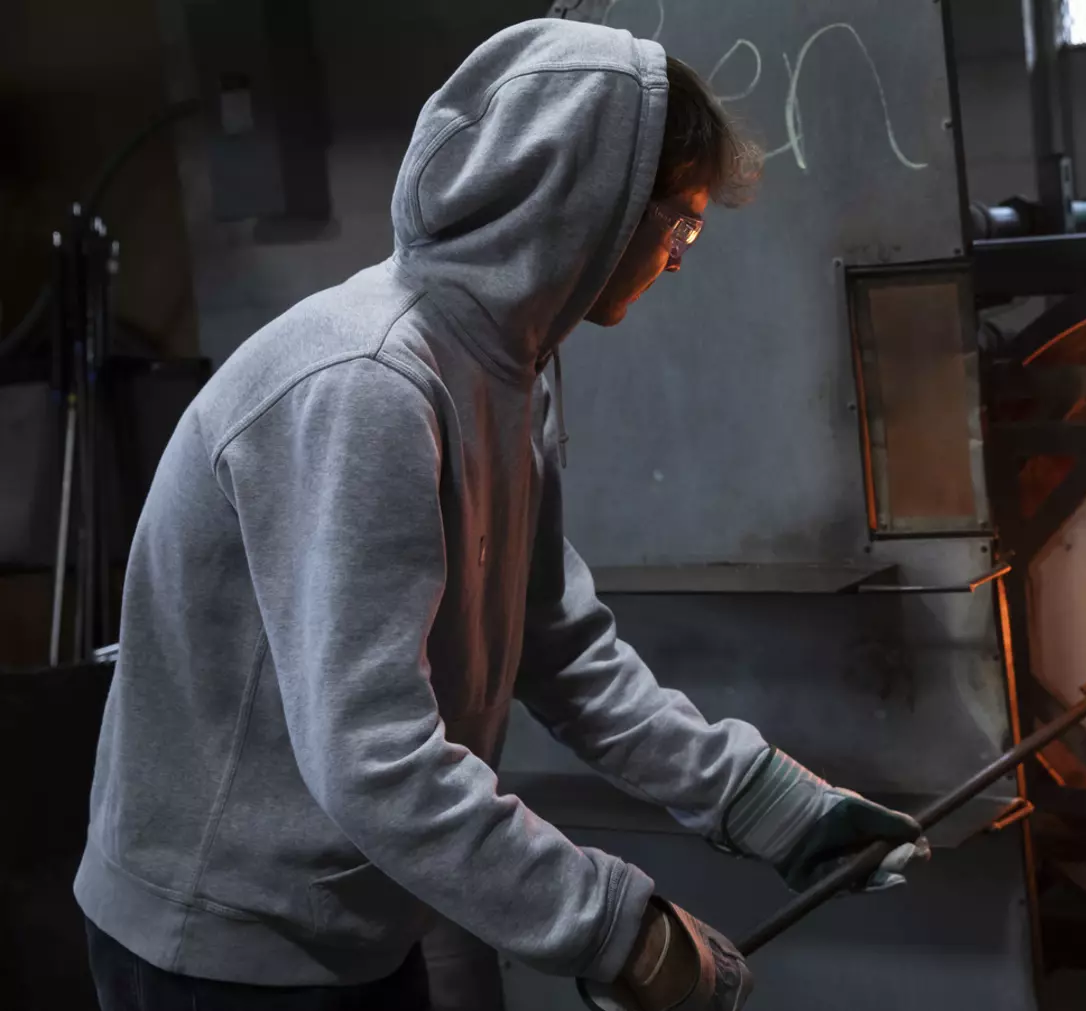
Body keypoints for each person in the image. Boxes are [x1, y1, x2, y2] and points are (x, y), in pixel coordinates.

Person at [75, 19, 923, 1011]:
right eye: (681, 222)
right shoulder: (369, 382)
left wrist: (768, 803)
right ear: (587, 197)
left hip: (351, 914)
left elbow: (556, 645)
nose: (682, 256)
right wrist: (619, 930)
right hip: (222, 945)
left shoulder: (507, 363)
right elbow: (375, 761)